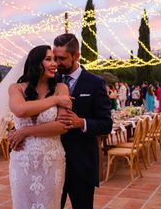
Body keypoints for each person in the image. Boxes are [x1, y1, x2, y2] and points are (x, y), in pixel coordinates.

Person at [7, 45, 73, 208]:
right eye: (48, 59)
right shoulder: (16, 88)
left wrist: (25, 131)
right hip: (23, 160)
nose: (54, 64)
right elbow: (21, 110)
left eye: (55, 60)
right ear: (36, 63)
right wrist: (55, 100)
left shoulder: (61, 88)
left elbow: (62, 126)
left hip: (51, 160)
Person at [53, 33, 112, 209]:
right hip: (53, 162)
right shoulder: (50, 81)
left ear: (76, 56)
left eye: (62, 58)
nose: (57, 63)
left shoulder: (95, 83)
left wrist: (82, 123)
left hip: (82, 164)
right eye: (55, 58)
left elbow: (106, 124)